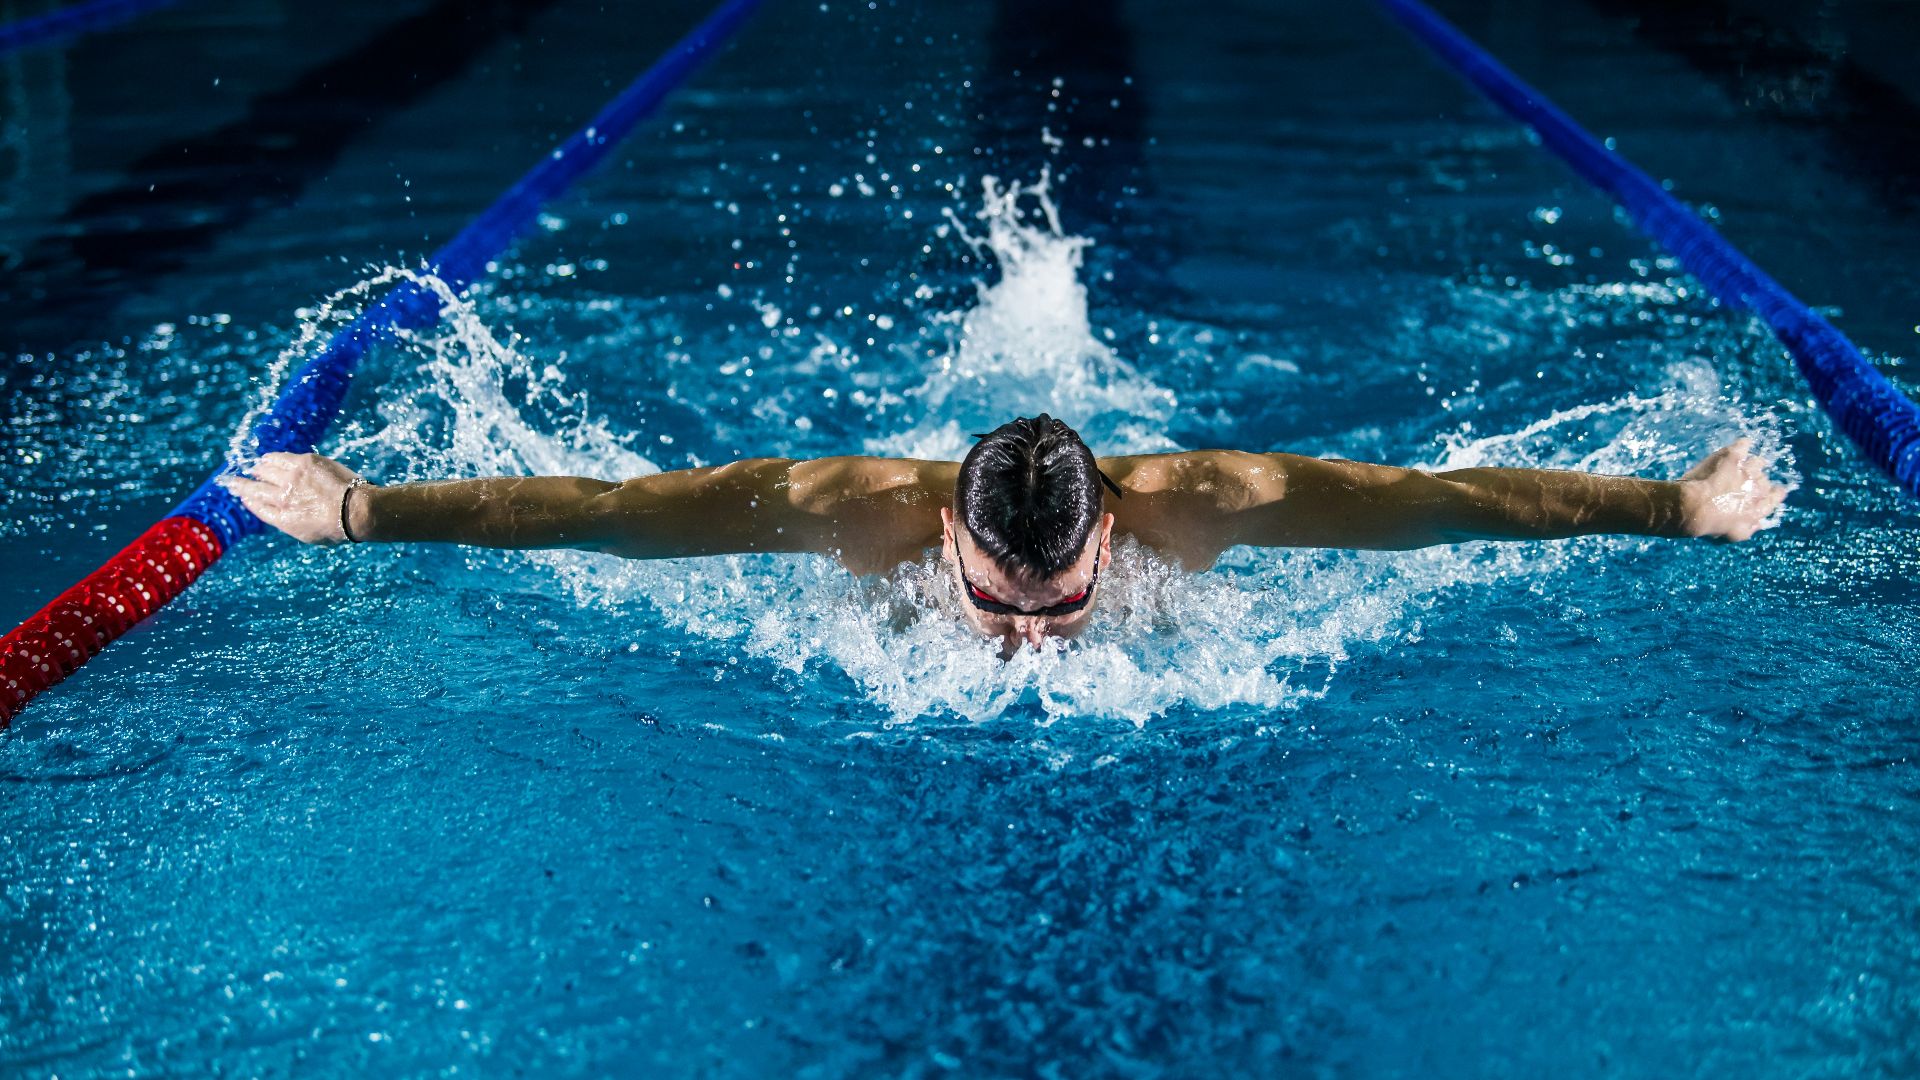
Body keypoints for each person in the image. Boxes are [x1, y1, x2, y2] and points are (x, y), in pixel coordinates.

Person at [223, 414, 1786, 654]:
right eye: (995, 602)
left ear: (1113, 532)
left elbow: (1443, 503)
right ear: (943, 535)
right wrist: (360, 511)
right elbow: (611, 519)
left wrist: (1676, 507)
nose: (1025, 640)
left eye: (1058, 605)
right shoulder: (845, 512)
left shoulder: (1214, 501)